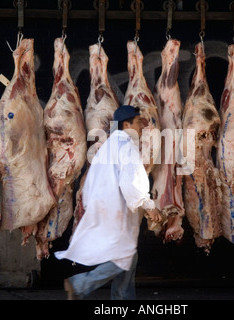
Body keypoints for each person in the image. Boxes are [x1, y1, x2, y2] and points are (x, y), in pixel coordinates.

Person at [54, 105, 163, 300]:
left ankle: (121, 299)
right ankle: (80, 284)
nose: (141, 126)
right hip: (117, 212)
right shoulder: (126, 147)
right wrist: (148, 205)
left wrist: (92, 207)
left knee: (127, 256)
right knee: (124, 258)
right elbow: (132, 181)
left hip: (105, 209)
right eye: (138, 122)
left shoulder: (107, 147)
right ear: (126, 124)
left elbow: (90, 181)